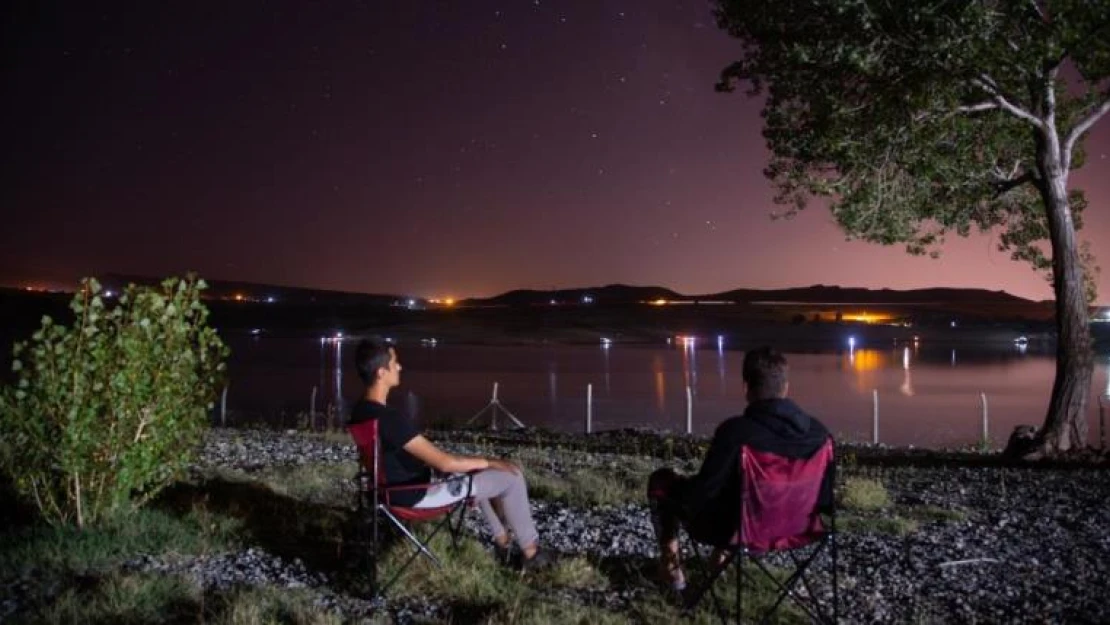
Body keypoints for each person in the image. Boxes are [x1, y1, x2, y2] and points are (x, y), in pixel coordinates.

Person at [349, 337, 552, 569]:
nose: (400, 366)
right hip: (415, 495)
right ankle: (532, 554)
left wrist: (479, 464)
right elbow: (445, 464)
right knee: (512, 477)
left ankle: (502, 542)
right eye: (395, 362)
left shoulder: (362, 411)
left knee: (474, 469)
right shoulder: (390, 419)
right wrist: (491, 461)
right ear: (381, 372)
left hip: (390, 490)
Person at [647, 346, 834, 591]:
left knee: (661, 480)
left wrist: (682, 485)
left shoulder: (736, 432)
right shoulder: (820, 434)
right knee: (737, 489)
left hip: (740, 531)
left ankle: (672, 571)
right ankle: (720, 559)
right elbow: (825, 500)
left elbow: (702, 494)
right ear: (786, 387)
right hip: (799, 528)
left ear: (746, 388)